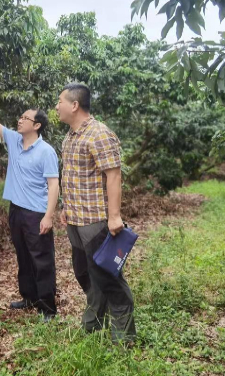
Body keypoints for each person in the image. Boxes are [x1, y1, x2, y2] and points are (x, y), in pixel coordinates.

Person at [0, 89, 60, 320]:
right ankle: (28, 297)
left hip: (37, 213)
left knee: (42, 260)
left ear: (36, 125)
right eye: (21, 117)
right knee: (23, 256)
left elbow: (54, 185)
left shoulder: (46, 151)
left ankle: (47, 308)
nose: (20, 120)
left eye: (25, 118)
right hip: (16, 210)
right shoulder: (15, 141)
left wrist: (48, 216)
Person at [55, 83, 136, 343]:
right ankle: (94, 321)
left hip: (95, 220)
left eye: (60, 101)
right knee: (83, 272)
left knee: (107, 276)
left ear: (75, 105)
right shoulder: (70, 136)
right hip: (76, 219)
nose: (57, 106)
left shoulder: (99, 134)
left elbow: (113, 175)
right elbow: (72, 176)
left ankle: (124, 337)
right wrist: (66, 207)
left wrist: (114, 216)